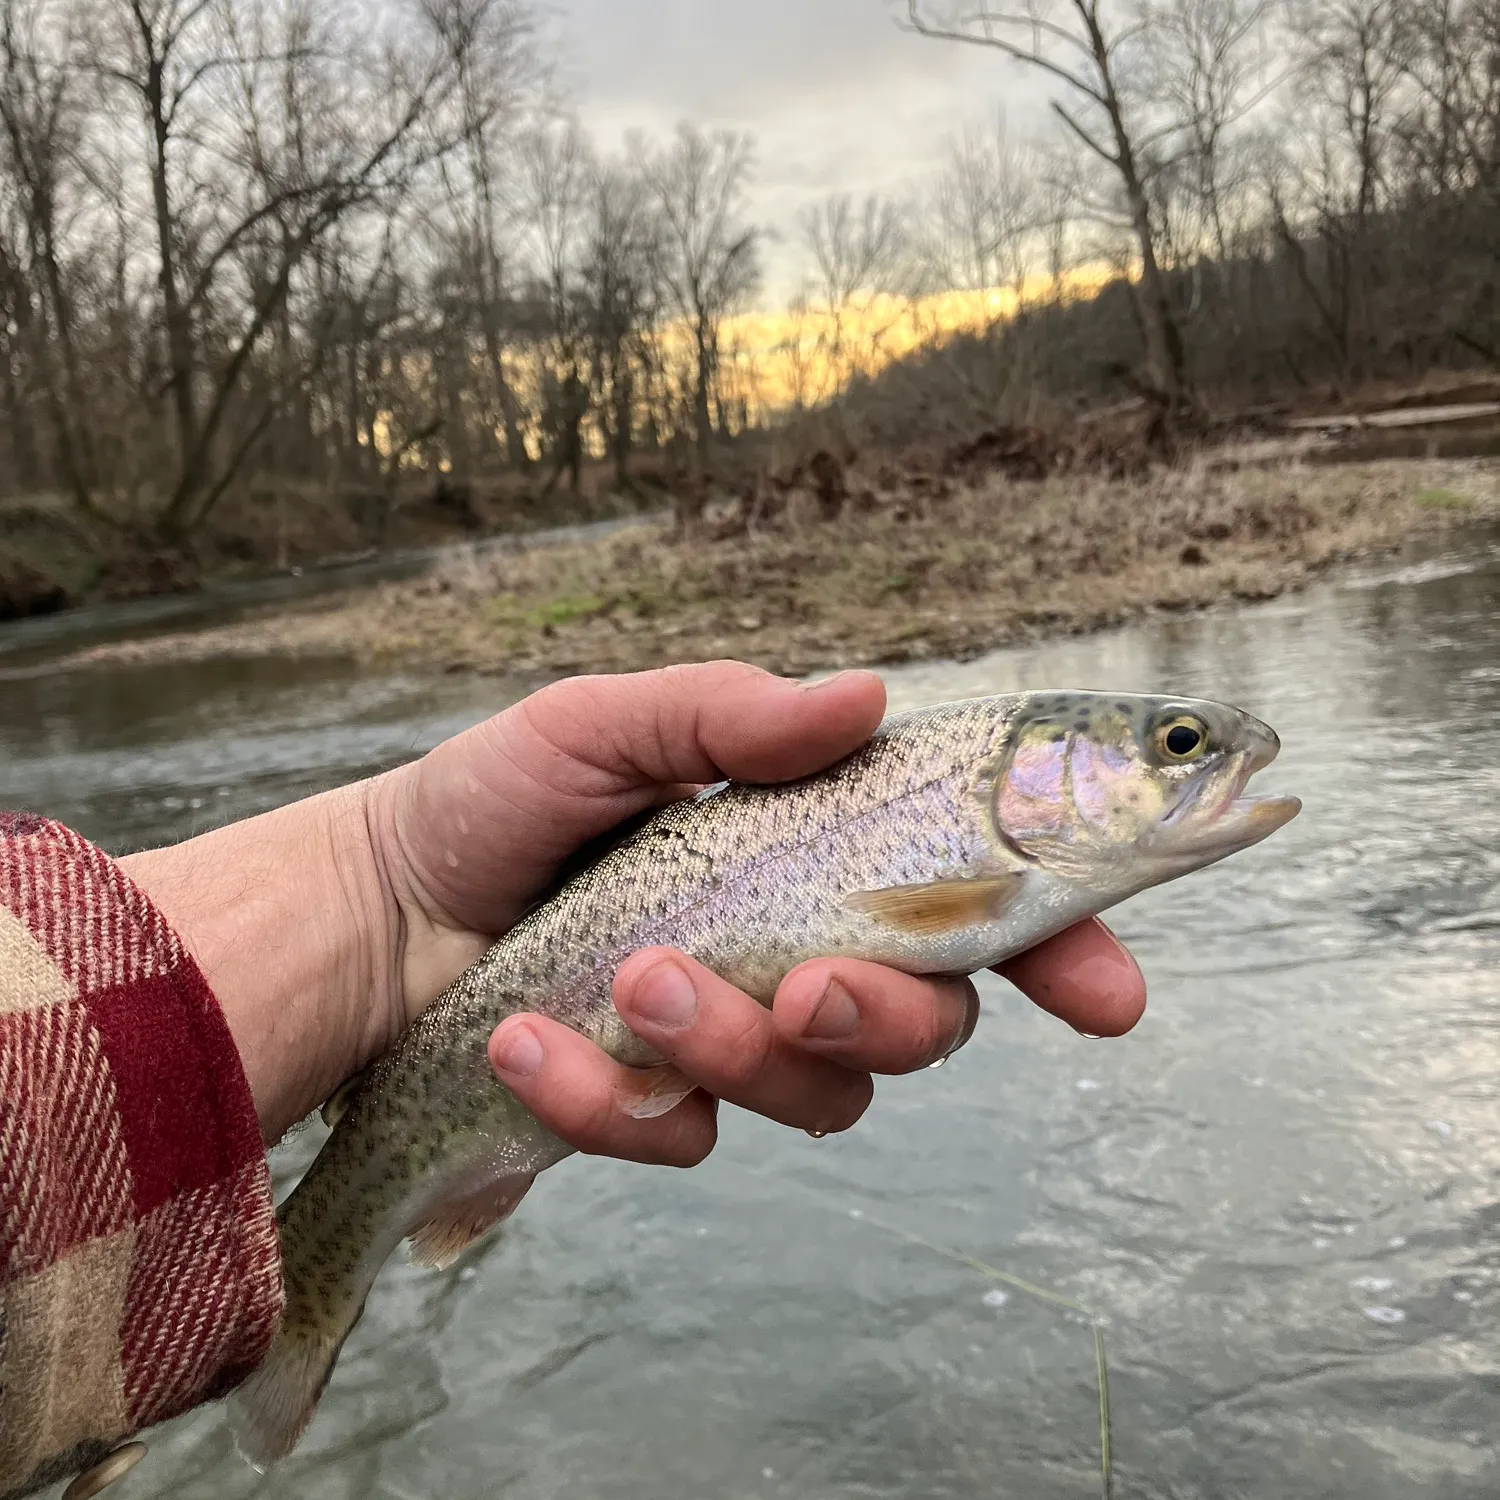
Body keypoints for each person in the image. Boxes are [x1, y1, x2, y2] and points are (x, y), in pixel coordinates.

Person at [0, 662, 1145, 1498]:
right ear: (1043, 773)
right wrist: (386, 882)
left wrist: (386, 887)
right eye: (1176, 750)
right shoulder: (985, 836)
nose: (1195, 763)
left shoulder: (1000, 840)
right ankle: (322, 1263)